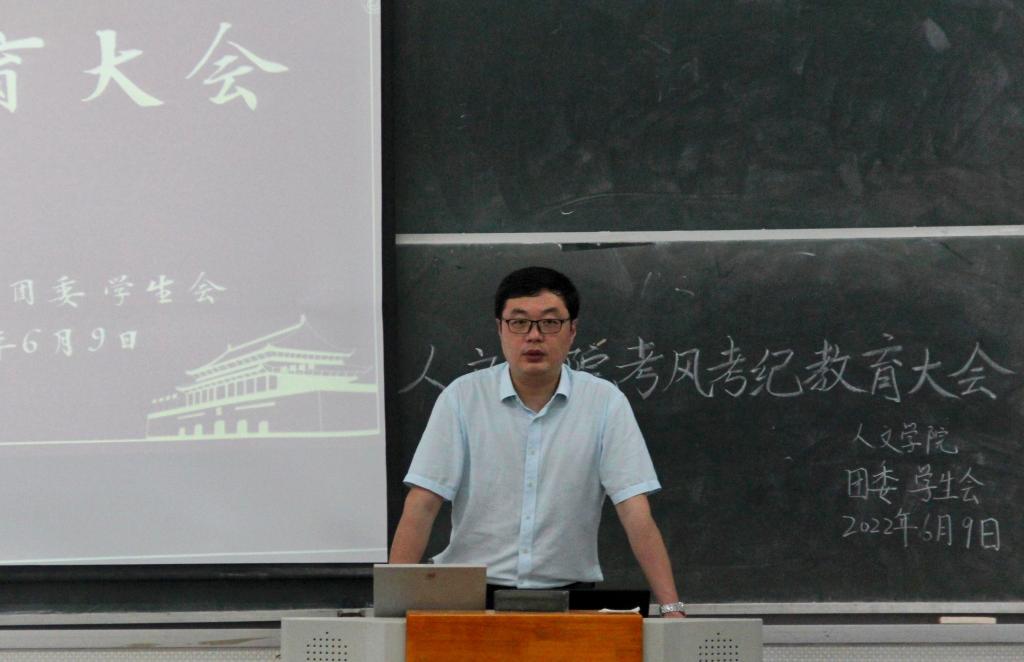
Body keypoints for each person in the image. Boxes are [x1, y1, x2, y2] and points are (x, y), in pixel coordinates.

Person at [390, 266, 685, 617]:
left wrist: (671, 608)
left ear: (572, 331)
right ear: (500, 328)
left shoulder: (605, 402)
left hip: (571, 601)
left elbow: (634, 510)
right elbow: (422, 504)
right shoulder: (462, 398)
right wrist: (393, 609)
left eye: (549, 322)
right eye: (519, 322)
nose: (533, 336)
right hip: (471, 599)